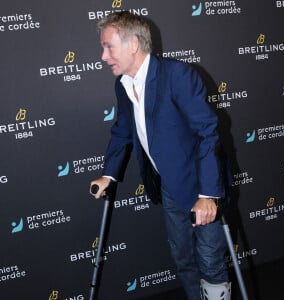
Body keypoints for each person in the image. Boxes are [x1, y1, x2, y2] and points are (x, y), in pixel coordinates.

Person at [90, 11, 231, 300]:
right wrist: (109, 173)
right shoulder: (123, 84)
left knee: (210, 262)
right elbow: (122, 131)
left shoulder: (176, 74)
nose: (104, 56)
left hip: (201, 183)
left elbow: (207, 132)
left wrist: (207, 194)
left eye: (109, 46)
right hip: (169, 185)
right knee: (183, 258)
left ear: (133, 45)